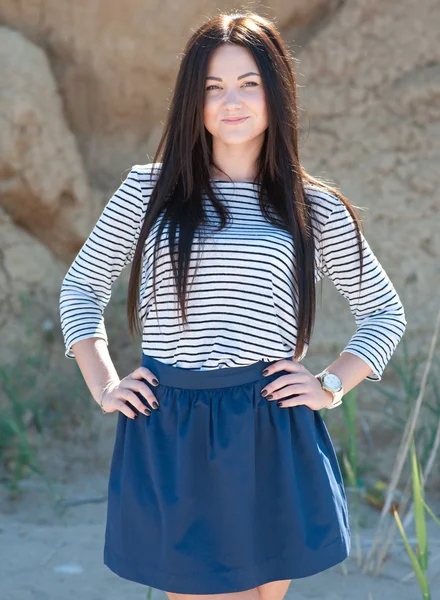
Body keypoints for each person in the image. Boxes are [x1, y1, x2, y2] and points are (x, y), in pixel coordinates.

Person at [59, 11, 407, 600]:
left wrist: (330, 385)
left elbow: (385, 312)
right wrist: (103, 384)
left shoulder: (311, 207)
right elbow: (82, 286)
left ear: (277, 92)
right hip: (175, 427)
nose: (232, 101)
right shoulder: (148, 191)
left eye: (249, 83)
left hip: (270, 426)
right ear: (193, 101)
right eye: (214, 87)